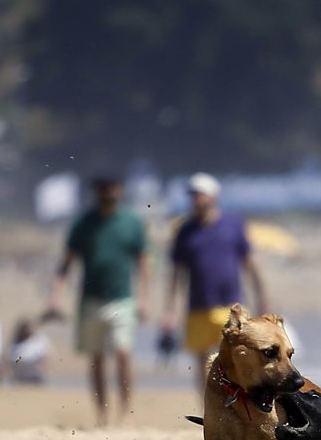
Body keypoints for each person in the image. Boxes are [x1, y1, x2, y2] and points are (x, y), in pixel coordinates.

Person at [46, 177, 149, 426]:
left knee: (123, 353)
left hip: (122, 298)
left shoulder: (131, 222)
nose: (108, 193)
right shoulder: (83, 223)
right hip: (91, 299)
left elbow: (143, 262)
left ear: (120, 191)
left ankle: (125, 413)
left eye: (112, 188)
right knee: (97, 358)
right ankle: (102, 414)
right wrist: (56, 297)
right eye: (103, 189)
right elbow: (66, 262)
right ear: (96, 192)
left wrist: (144, 299)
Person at [161, 173, 267, 391]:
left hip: (231, 307)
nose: (196, 199)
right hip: (198, 307)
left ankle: (238, 404)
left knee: (237, 359)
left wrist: (262, 298)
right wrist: (170, 311)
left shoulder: (233, 225)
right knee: (202, 363)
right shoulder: (185, 231)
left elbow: (250, 264)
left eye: (200, 195)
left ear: (213, 196)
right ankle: (208, 405)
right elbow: (176, 274)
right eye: (193, 195)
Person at [10, 318, 50, 384]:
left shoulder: (38, 341)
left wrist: (42, 365)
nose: (27, 330)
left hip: (35, 376)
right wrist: (18, 360)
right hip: (20, 376)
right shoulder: (16, 344)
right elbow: (16, 359)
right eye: (25, 328)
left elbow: (45, 357)